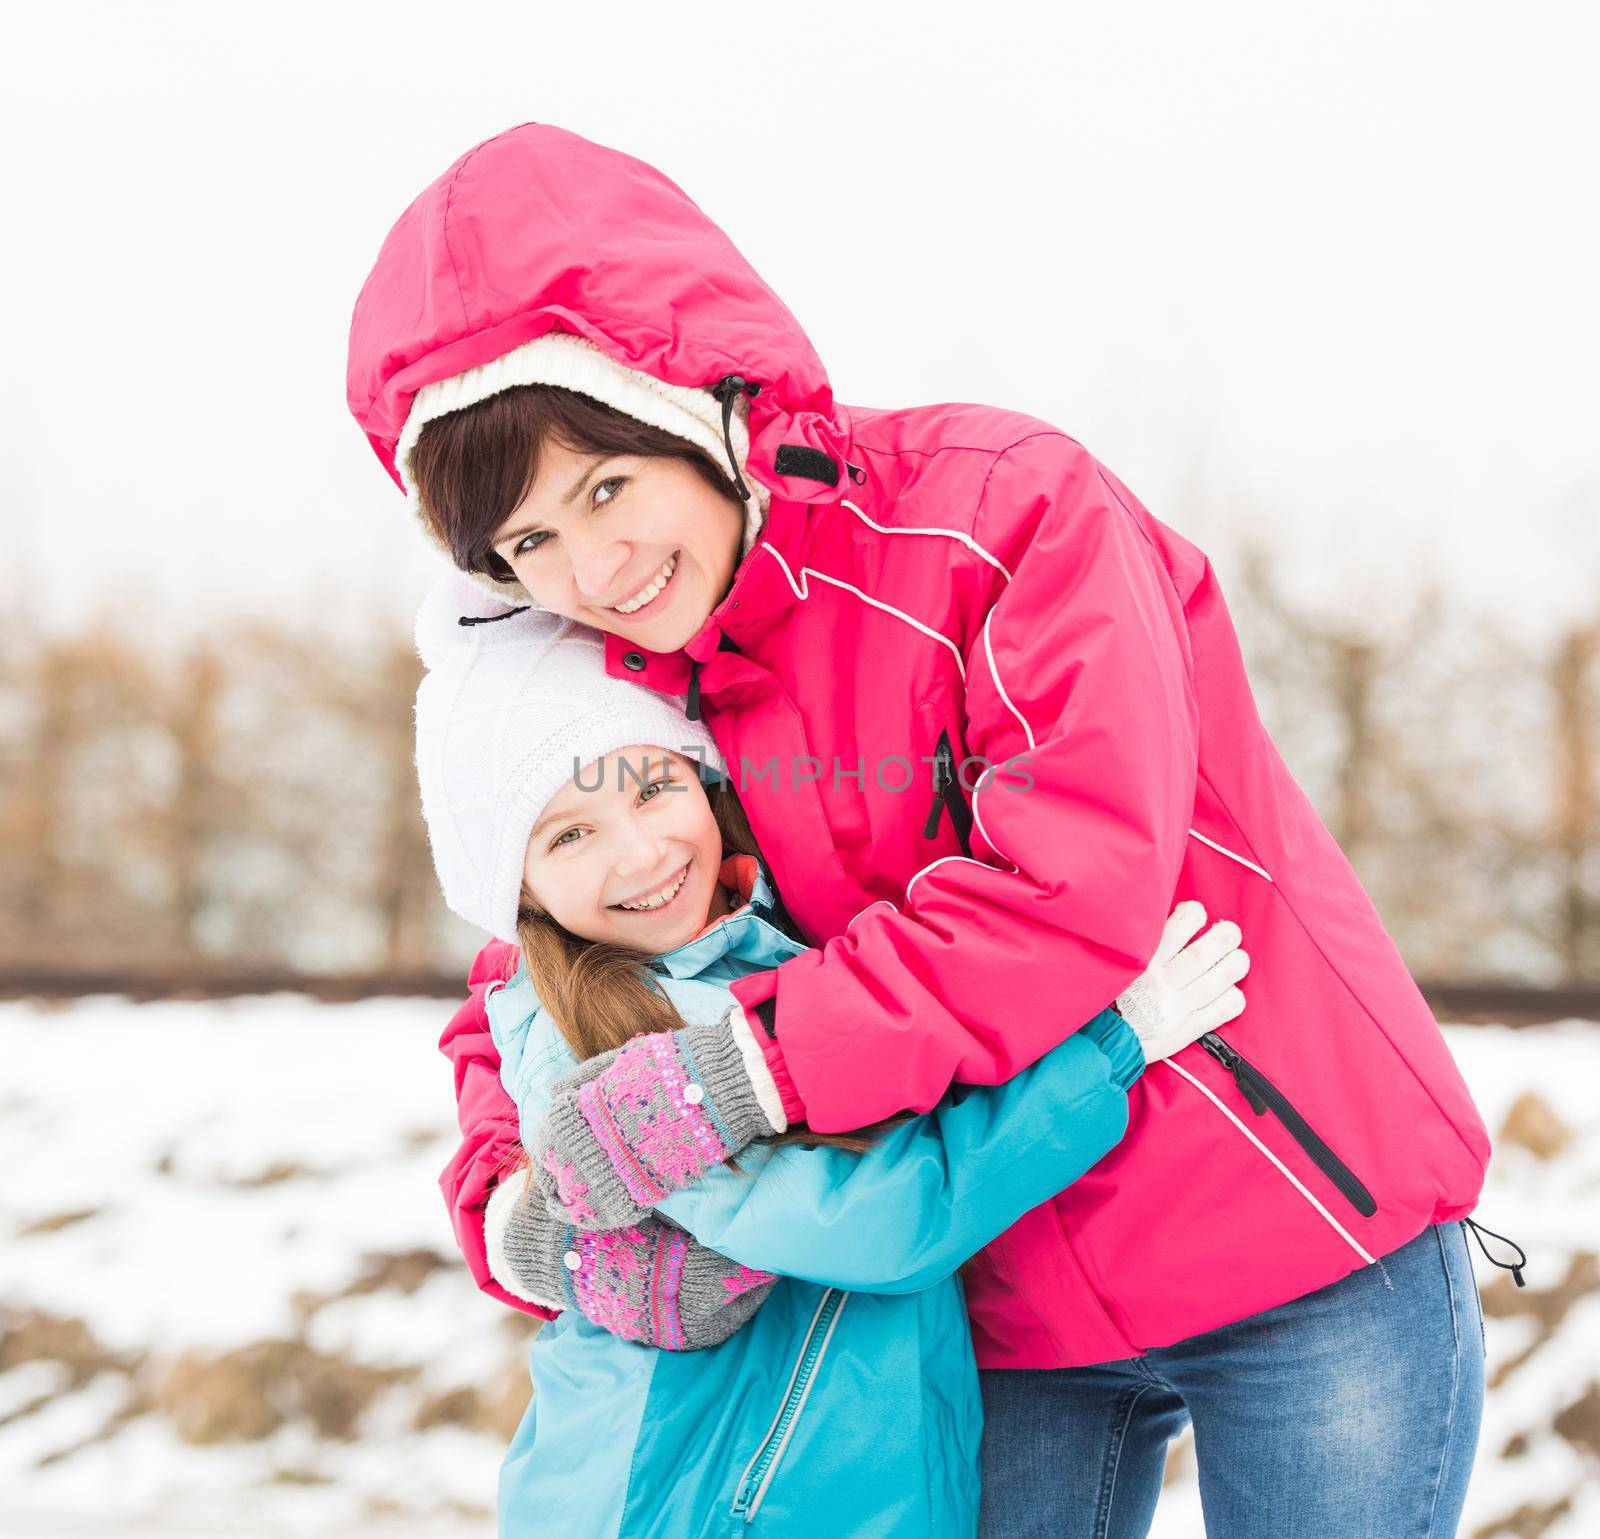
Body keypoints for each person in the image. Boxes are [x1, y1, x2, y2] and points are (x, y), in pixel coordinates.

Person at [348, 122, 1514, 1535]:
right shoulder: (631, 682)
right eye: (530, 544)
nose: (591, 568)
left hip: (1291, 1236)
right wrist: (517, 1198)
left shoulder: (1001, 510)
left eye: (605, 486)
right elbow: (527, 962)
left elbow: (1066, 882)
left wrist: (738, 1075)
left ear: (691, 399)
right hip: (995, 1295)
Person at [409, 572, 1248, 1536]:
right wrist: (1111, 1048)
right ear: (517, 891)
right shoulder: (606, 1042)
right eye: (569, 836)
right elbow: (883, 1219)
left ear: (704, 779)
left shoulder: (769, 950)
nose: (639, 854)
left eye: (653, 786)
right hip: (695, 1503)